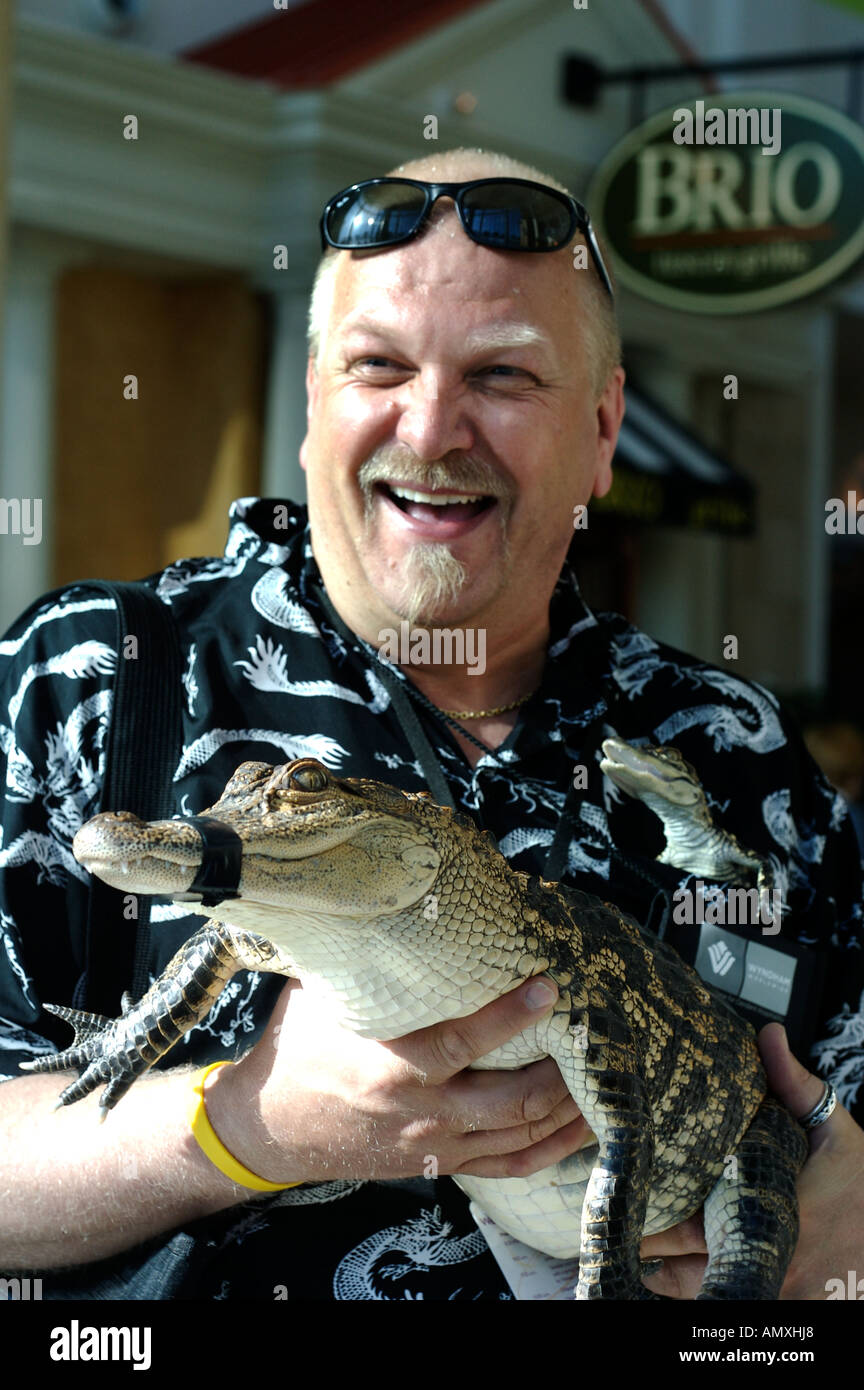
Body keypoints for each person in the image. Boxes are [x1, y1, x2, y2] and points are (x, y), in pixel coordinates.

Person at [0, 147, 862, 1302]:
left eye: (502, 377)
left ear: (605, 430)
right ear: (312, 402)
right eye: (378, 365)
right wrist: (243, 1127)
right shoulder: (93, 678)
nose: (433, 427)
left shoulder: (729, 743)